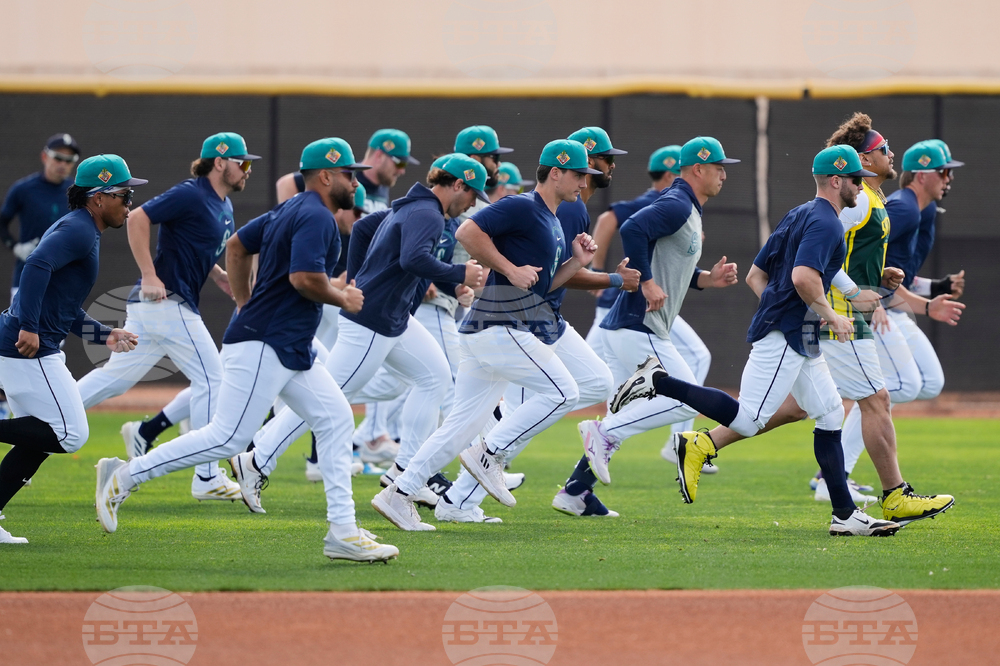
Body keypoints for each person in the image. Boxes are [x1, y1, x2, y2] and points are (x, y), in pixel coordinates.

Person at [95, 138, 399, 563]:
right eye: (349, 173)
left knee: (335, 419)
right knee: (228, 438)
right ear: (326, 176)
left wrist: (242, 302)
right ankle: (124, 476)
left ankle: (343, 533)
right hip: (265, 343)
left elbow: (237, 245)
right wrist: (340, 297)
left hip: (284, 342)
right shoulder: (316, 215)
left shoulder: (292, 209)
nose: (355, 180)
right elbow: (303, 279)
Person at [612, 145, 902, 537]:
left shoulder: (800, 213)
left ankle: (845, 516)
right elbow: (803, 277)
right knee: (748, 420)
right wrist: (830, 314)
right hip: (788, 333)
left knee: (831, 413)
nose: (860, 187)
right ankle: (657, 382)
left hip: (796, 331)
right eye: (855, 180)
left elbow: (755, 276)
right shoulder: (829, 222)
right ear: (836, 180)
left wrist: (783, 307)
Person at [232, 154, 487, 516]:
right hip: (373, 319)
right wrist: (460, 272)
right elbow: (414, 259)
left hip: (390, 316)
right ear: (458, 185)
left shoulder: (414, 205)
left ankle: (405, 473)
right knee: (329, 397)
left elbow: (366, 230)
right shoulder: (427, 212)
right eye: (472, 192)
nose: (474, 202)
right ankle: (257, 460)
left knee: (434, 378)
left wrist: (359, 275)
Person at [370, 139, 601, 531]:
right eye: (579, 173)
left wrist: (576, 263)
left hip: (487, 331)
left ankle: (399, 492)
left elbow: (541, 287)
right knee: (565, 392)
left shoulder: (554, 220)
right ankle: (489, 454)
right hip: (500, 326)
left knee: (459, 426)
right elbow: (467, 232)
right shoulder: (523, 205)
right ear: (556, 172)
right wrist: (509, 269)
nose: (583, 182)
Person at [436, 126, 639, 522]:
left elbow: (555, 272)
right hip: (527, 318)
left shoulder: (573, 204)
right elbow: (551, 274)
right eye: (603, 159)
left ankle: (468, 481)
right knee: (547, 400)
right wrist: (611, 280)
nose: (608, 166)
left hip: (543, 316)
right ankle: (463, 488)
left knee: (594, 383)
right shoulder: (566, 204)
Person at [76, 132, 260, 502]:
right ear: (220, 162)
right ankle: (206, 477)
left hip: (157, 308)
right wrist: (148, 273)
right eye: (243, 163)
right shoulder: (191, 193)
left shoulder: (223, 205)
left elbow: (195, 245)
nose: (247, 170)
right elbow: (138, 218)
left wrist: (218, 274)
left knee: (113, 381)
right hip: (166, 302)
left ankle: (43, 415)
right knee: (212, 378)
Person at [565, 137, 738, 499]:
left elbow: (672, 262)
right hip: (636, 326)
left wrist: (708, 279)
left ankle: (575, 492)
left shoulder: (688, 206)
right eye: (719, 167)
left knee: (635, 404)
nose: (724, 174)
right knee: (683, 398)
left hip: (633, 328)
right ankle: (604, 434)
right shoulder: (677, 203)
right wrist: (647, 282)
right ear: (697, 169)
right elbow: (631, 229)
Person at [0, 154, 144, 544]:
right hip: (28, 348)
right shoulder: (80, 229)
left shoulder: (81, 227)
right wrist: (29, 326)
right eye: (124, 194)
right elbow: (35, 266)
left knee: (37, 441)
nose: (129, 203)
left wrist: (104, 335)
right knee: (69, 435)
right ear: (98, 198)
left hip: (23, 344)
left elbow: (62, 304)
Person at [1, 134, 81, 304]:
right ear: (45, 157)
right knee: (21, 327)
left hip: (63, 278)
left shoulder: (77, 193)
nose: (63, 164)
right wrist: (16, 247)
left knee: (55, 329)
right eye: (58, 158)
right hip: (27, 275)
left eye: (69, 160)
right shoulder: (23, 189)